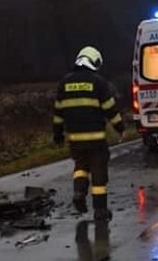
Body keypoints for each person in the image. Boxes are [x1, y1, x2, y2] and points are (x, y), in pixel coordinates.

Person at [53, 46, 124, 220]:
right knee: (99, 172)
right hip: (96, 138)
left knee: (81, 167)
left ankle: (79, 193)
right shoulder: (98, 82)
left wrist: (58, 135)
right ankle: (100, 210)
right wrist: (120, 127)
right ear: (94, 62)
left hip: (75, 138)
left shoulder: (64, 83)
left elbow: (58, 113)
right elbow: (110, 109)